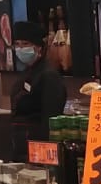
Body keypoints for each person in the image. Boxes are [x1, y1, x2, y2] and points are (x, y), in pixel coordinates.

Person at [9, 20, 66, 161]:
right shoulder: (27, 73)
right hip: (22, 148)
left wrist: (45, 155)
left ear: (39, 47)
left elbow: (51, 119)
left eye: (25, 44)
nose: (20, 49)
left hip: (38, 150)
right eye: (17, 44)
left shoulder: (49, 75)